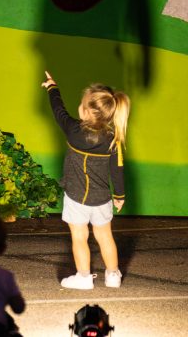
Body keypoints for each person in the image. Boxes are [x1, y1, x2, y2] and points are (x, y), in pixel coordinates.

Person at [41, 71, 128, 290]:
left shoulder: (73, 130)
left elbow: (58, 111)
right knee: (105, 236)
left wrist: (52, 87)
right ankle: (113, 275)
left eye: (81, 104)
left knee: (79, 237)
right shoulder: (113, 139)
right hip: (102, 199)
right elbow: (117, 170)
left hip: (76, 197)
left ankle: (83, 277)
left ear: (87, 111)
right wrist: (119, 196)